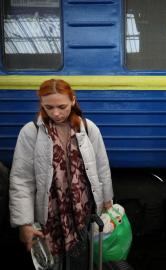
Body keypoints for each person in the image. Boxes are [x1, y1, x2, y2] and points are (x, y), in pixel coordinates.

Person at [9, 79, 114, 270]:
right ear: (41, 104)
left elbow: (101, 168)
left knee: (82, 261)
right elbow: (21, 181)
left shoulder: (88, 128)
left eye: (62, 106)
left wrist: (107, 201)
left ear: (73, 101)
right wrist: (24, 223)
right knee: (51, 264)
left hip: (82, 215)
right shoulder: (31, 132)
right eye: (49, 107)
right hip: (49, 217)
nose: (56, 113)